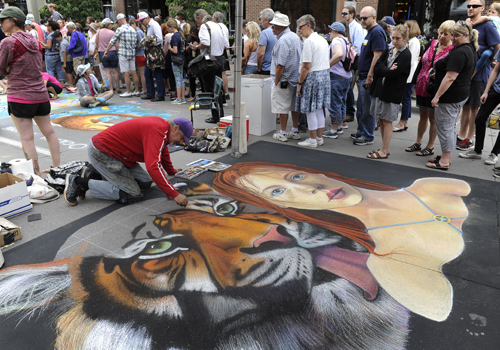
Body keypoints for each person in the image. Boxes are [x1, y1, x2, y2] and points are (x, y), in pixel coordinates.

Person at [212, 162, 469, 322]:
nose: (308, 188)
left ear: (312, 170)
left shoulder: (429, 185)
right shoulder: (388, 258)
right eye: (278, 192)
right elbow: (436, 307)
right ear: (283, 207)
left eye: (296, 177)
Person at [63, 117, 193, 207]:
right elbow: (153, 167)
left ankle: (93, 173)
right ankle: (79, 183)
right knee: (133, 193)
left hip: (118, 154)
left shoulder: (163, 129)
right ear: (175, 129)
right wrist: (174, 194)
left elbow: (162, 151)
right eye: (181, 138)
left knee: (145, 182)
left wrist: (171, 171)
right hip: (102, 152)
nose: (179, 142)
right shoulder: (158, 131)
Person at [0, 7, 60, 176]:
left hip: (20, 95)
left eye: (2, 20)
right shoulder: (34, 39)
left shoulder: (8, 42)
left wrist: (7, 67)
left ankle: (36, 175)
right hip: (40, 93)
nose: (0, 24)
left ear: (12, 20)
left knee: (27, 138)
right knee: (49, 132)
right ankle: (57, 168)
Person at [428, 21, 477, 170]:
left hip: (451, 96)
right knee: (447, 126)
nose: (453, 38)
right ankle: (445, 156)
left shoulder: (461, 52)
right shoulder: (468, 49)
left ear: (466, 36)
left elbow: (450, 77)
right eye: (453, 35)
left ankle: (444, 160)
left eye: (456, 36)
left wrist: (437, 96)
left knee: (445, 127)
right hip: (458, 94)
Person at [406, 21, 454, 157]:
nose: (442, 36)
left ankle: (430, 146)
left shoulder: (452, 50)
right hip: (422, 85)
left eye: (446, 34)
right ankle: (418, 142)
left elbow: (450, 71)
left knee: (433, 119)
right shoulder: (432, 44)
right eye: (440, 32)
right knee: (422, 116)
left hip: (435, 87)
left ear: (452, 35)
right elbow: (422, 63)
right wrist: (415, 80)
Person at [457, 0, 500, 151]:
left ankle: (470, 138)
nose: (470, 8)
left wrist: (493, 61)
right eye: (468, 5)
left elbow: (497, 46)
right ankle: (461, 136)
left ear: (482, 8)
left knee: (475, 107)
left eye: (474, 6)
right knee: (466, 105)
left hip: (480, 73)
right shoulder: (466, 24)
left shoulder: (488, 25)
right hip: (465, 71)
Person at [368, 24, 411, 159]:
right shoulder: (389, 48)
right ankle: (383, 148)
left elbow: (394, 74)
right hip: (381, 89)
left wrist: (385, 70)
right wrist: (387, 69)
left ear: (405, 38)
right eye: (392, 38)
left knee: (387, 121)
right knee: (381, 119)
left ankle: (384, 150)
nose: (394, 41)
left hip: (392, 92)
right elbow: (377, 67)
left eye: (398, 38)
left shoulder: (405, 54)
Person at [458, 41, 500, 166]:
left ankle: (494, 154)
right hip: (495, 90)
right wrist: (486, 91)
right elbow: (495, 70)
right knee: (480, 118)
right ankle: (477, 151)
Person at [352, 7, 387, 146]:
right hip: (363, 75)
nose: (362, 21)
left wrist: (370, 75)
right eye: (360, 18)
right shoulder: (370, 32)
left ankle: (368, 136)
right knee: (361, 107)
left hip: (367, 76)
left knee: (367, 108)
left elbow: (377, 55)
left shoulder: (377, 32)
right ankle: (362, 132)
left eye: (365, 18)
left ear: (374, 17)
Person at [295, 14, 330, 149]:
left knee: (310, 110)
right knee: (319, 109)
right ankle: (319, 138)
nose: (299, 30)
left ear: (308, 26)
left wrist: (299, 83)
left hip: (313, 76)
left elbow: (306, 66)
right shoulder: (321, 39)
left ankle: (312, 140)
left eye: (300, 27)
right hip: (324, 75)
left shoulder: (309, 41)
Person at [269, 13, 302, 142]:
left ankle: (282, 132)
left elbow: (280, 66)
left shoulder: (283, 40)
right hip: (295, 78)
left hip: (284, 79)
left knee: (282, 107)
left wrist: (276, 81)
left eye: (274, 26)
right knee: (294, 107)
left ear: (281, 27)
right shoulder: (295, 36)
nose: (272, 28)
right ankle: (294, 130)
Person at [191, 12, 226, 123]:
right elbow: (226, 44)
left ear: (200, 19)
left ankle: (216, 116)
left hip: (209, 60)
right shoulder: (221, 26)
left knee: (210, 90)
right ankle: (220, 115)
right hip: (220, 58)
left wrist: (196, 46)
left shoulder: (204, 27)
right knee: (218, 89)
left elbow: (205, 42)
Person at [324, 22, 352, 140]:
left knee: (334, 103)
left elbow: (339, 54)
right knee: (341, 103)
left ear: (336, 31)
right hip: (347, 76)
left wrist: (327, 65)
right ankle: (339, 126)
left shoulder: (336, 41)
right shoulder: (346, 41)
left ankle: (333, 130)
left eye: (330, 31)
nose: (329, 33)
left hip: (336, 76)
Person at [393, 20, 421, 132]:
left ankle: (403, 121)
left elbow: (410, 58)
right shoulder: (412, 41)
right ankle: (404, 122)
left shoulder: (414, 42)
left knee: (406, 99)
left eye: (406, 27)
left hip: (409, 74)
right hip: (409, 73)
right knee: (406, 98)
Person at [104, 13, 140, 97]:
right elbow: (135, 42)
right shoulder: (132, 29)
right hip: (132, 52)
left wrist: (107, 50)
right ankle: (137, 90)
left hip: (123, 53)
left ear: (120, 20)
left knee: (126, 73)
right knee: (133, 72)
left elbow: (113, 41)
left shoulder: (120, 29)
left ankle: (128, 91)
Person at [341, 6, 364, 124]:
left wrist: (350, 58)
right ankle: (347, 111)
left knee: (349, 87)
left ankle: (350, 112)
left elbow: (358, 47)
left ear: (352, 14)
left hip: (353, 60)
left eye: (345, 13)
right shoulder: (347, 26)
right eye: (342, 13)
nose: (343, 15)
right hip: (347, 59)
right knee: (347, 87)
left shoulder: (357, 28)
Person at [137, 11, 165, 102]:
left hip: (155, 52)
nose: (141, 23)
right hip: (150, 53)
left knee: (157, 73)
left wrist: (148, 41)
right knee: (147, 73)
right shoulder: (149, 25)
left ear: (146, 18)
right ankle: (150, 93)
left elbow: (159, 38)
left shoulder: (154, 25)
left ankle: (160, 94)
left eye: (142, 21)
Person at [96, 18, 120, 94]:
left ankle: (111, 88)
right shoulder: (112, 33)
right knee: (115, 71)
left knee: (108, 72)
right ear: (108, 25)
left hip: (102, 52)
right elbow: (116, 44)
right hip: (112, 52)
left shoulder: (98, 32)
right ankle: (118, 87)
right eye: (111, 24)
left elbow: (96, 42)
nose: (112, 25)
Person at [166, 19, 186, 104]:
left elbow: (175, 50)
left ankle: (178, 98)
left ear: (172, 27)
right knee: (181, 79)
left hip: (176, 59)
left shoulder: (174, 36)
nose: (168, 30)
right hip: (182, 58)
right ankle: (182, 97)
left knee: (178, 79)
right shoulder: (180, 35)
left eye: (168, 28)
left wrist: (169, 48)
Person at [212, 11, 231, 101]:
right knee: (223, 73)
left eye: (212, 17)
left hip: (219, 51)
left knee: (220, 74)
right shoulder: (224, 26)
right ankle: (226, 93)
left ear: (215, 18)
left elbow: (224, 43)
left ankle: (221, 94)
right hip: (222, 51)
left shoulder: (218, 27)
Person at [256, 8, 277, 75]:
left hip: (266, 68)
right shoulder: (278, 31)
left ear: (266, 21)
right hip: (277, 68)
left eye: (261, 19)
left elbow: (261, 53)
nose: (260, 22)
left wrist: (258, 67)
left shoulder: (264, 33)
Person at [130, 19, 147, 96]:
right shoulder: (139, 31)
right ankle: (143, 87)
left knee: (142, 73)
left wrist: (134, 46)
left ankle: (144, 89)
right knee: (142, 73)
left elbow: (141, 43)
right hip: (141, 54)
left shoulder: (138, 32)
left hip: (140, 54)